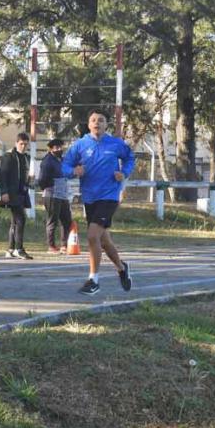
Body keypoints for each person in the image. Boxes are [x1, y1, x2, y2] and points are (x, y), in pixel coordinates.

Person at [61, 110, 135, 295]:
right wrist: (73, 171)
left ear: (106, 125)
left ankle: (93, 280)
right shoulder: (80, 145)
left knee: (93, 236)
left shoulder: (115, 143)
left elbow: (130, 158)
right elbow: (65, 165)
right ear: (88, 124)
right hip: (90, 197)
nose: (97, 123)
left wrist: (124, 172)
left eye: (101, 120)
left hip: (109, 196)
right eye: (93, 120)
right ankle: (121, 268)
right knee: (103, 240)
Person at [0, 132, 33, 259]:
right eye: (21, 144)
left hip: (22, 193)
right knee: (20, 219)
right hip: (11, 193)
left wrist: (29, 182)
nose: (23, 146)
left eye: (25, 144)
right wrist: (4, 192)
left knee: (15, 222)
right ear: (16, 143)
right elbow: (2, 175)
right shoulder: (9, 156)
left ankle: (10, 249)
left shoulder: (26, 158)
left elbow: (26, 175)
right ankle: (19, 248)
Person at [38, 139, 72, 254]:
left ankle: (64, 245)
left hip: (62, 193)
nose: (59, 150)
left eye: (60, 147)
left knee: (67, 220)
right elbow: (42, 179)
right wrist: (48, 187)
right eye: (56, 148)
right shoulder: (47, 161)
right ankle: (51, 246)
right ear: (51, 149)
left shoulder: (61, 160)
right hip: (51, 194)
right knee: (53, 220)